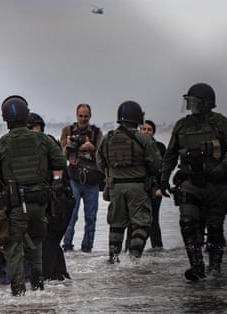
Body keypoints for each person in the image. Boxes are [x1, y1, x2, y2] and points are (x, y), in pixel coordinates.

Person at [0, 95, 67, 296]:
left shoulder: (2, 144)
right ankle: (38, 291)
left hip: (15, 205)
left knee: (14, 252)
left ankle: (19, 297)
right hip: (40, 204)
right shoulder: (43, 140)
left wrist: (5, 189)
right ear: (27, 115)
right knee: (36, 249)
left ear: (6, 119)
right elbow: (60, 162)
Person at [160, 83, 227, 281]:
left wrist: (225, 165)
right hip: (190, 183)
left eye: (193, 101)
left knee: (215, 228)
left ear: (206, 103)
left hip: (216, 186)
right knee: (187, 223)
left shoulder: (222, 124)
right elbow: (170, 155)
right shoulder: (181, 126)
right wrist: (163, 179)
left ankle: (215, 268)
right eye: (189, 101)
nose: (190, 105)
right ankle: (196, 266)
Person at [97, 101, 161, 264]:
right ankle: (134, 258)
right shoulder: (144, 139)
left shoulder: (107, 138)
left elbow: (100, 163)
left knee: (116, 224)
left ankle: (113, 258)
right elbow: (156, 164)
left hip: (115, 187)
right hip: (138, 187)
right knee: (142, 223)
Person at [27, 113, 73, 282]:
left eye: (32, 128)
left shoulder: (46, 143)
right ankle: (60, 278)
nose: (29, 132)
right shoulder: (32, 147)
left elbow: (58, 169)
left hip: (58, 203)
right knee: (50, 244)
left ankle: (50, 281)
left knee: (48, 243)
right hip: (50, 203)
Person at [60, 104, 103, 252]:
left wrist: (92, 148)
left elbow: (103, 157)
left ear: (90, 116)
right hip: (74, 178)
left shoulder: (97, 133)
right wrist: (70, 145)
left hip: (92, 180)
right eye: (80, 116)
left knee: (91, 217)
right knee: (70, 216)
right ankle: (67, 246)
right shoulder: (68, 131)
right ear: (76, 115)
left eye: (86, 116)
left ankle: (87, 247)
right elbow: (60, 156)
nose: (83, 119)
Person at [140, 119, 167, 250]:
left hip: (155, 187)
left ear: (154, 132)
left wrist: (161, 187)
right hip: (139, 188)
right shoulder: (135, 146)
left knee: (154, 219)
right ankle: (132, 250)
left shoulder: (160, 147)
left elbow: (165, 169)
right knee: (136, 221)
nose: (146, 132)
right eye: (144, 129)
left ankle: (157, 248)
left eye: (149, 129)